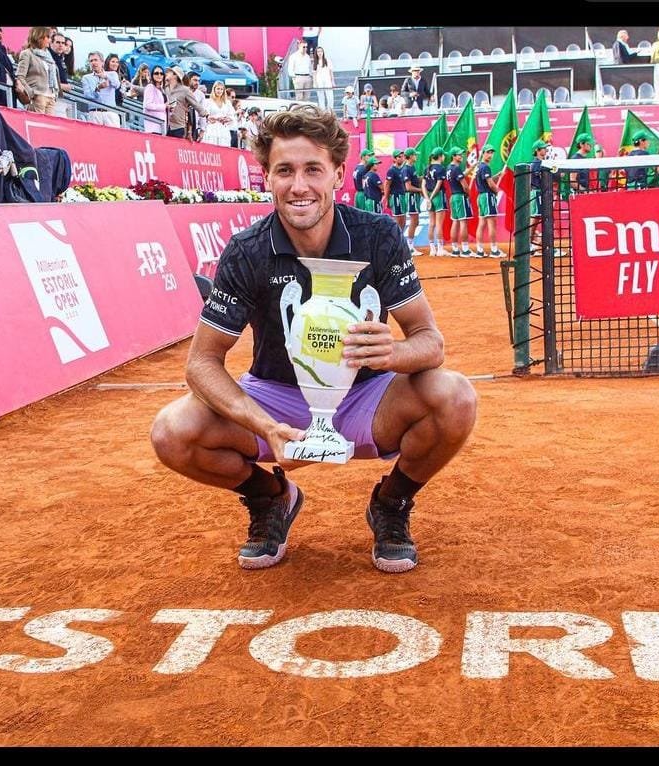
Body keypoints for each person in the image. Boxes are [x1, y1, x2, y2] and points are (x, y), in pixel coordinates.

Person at [150, 105, 477, 574]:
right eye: (284, 170)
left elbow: (431, 342)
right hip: (276, 398)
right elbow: (201, 363)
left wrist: (393, 353)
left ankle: (391, 502)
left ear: (338, 175)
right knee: (172, 432)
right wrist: (263, 425)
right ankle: (270, 498)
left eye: (312, 170)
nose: (298, 185)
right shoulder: (248, 250)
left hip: (366, 397)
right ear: (267, 177)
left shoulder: (378, 236)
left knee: (456, 397)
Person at [473, 144, 503, 257]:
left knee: (481, 224)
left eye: (491, 153)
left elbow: (486, 180)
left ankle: (480, 250)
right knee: (492, 224)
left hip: (481, 196)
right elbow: (490, 184)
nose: (490, 155)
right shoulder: (485, 167)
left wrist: (497, 176)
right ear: (483, 153)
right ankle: (494, 250)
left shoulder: (479, 166)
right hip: (487, 196)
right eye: (488, 152)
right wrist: (497, 192)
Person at [312, 46, 334, 111]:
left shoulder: (327, 60)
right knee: (321, 97)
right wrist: (315, 83)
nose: (320, 53)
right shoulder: (315, 62)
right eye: (318, 51)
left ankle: (330, 111)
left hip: (327, 80)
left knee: (330, 96)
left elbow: (331, 72)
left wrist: (332, 81)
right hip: (319, 81)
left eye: (321, 51)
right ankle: (323, 112)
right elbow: (314, 74)